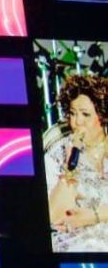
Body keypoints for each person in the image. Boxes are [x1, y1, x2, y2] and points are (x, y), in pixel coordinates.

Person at [45, 73, 108, 252]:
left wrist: (94, 216)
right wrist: (68, 170)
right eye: (72, 113)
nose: (77, 122)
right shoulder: (58, 154)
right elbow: (53, 216)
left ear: (102, 116)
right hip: (80, 246)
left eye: (86, 114)